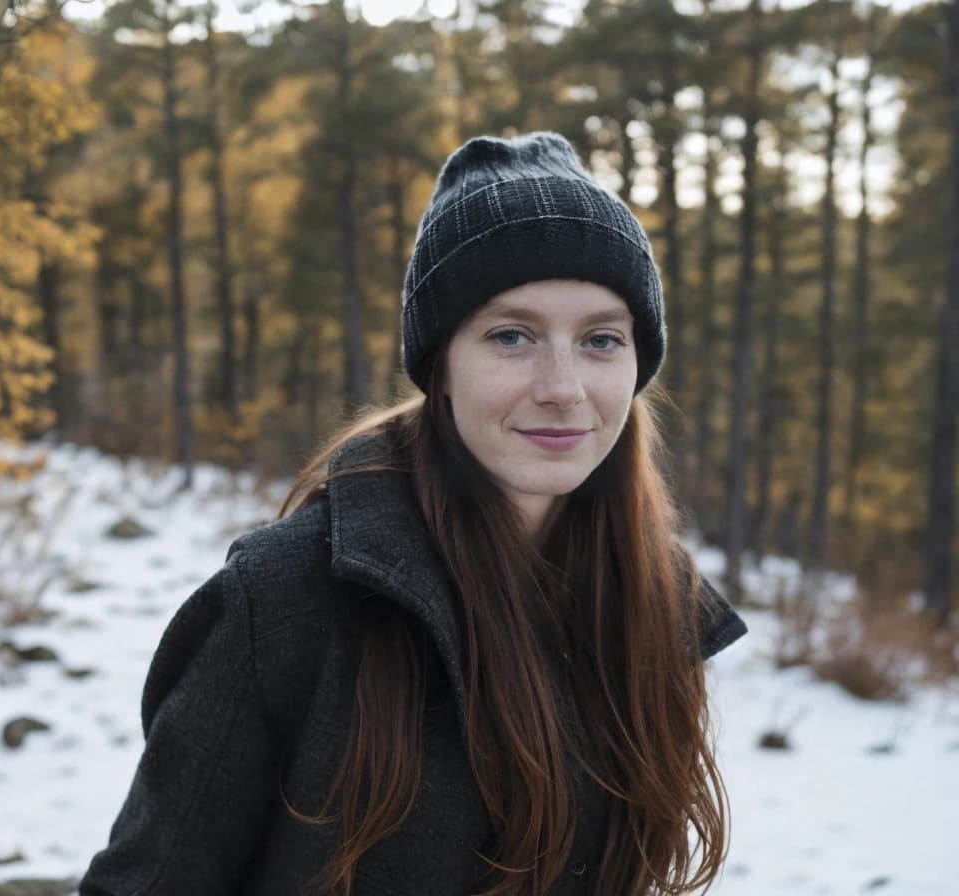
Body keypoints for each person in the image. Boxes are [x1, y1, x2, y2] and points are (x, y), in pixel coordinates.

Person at [79, 131, 747, 896]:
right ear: (441, 366)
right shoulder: (288, 603)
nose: (563, 386)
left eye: (601, 340)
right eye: (511, 335)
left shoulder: (651, 603)